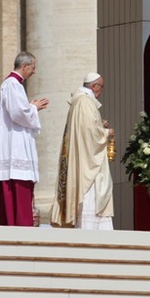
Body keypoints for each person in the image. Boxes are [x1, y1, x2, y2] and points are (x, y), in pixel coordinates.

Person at [0, 51, 49, 226]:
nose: (34, 72)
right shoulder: (13, 84)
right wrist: (34, 107)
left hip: (14, 141)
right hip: (16, 144)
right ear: (24, 66)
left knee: (10, 189)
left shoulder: (11, 84)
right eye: (33, 67)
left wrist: (30, 107)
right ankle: (21, 226)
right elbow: (18, 113)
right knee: (18, 187)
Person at [50, 72, 115, 229]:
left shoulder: (79, 101)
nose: (102, 91)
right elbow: (89, 133)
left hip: (83, 156)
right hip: (88, 163)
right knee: (92, 199)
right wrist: (106, 133)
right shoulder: (85, 102)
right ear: (94, 86)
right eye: (101, 87)